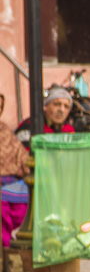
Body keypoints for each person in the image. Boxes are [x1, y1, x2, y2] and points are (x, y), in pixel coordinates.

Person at [0, 96, 31, 251]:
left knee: (27, 200)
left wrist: (30, 170)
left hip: (12, 181)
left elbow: (21, 157)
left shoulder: (5, 130)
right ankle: (5, 250)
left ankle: (17, 249)